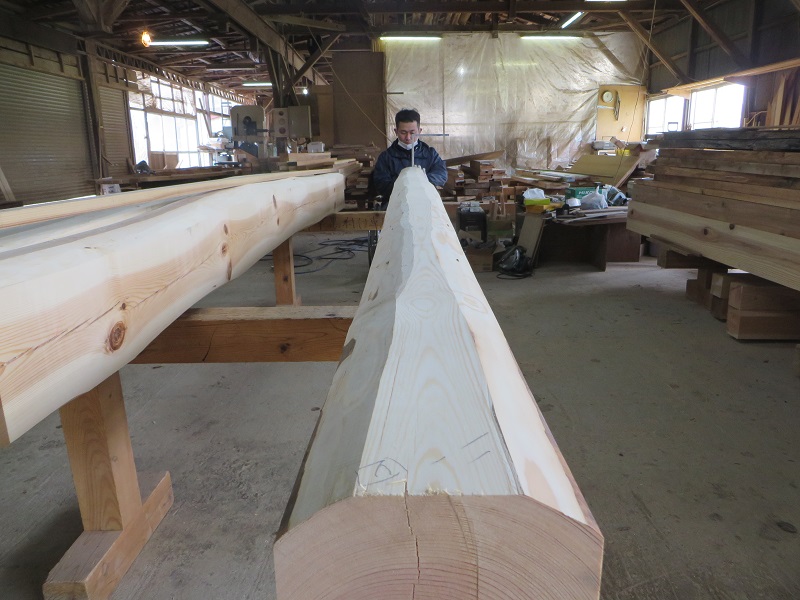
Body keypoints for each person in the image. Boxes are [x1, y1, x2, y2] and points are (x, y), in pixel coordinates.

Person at [372, 109, 447, 206]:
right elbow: (381, 184)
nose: (408, 137)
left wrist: (421, 181)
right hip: (396, 205)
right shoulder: (386, 157)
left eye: (412, 133)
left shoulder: (430, 154)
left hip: (425, 203)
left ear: (419, 131)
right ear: (396, 131)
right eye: (403, 132)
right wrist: (405, 183)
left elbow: (441, 174)